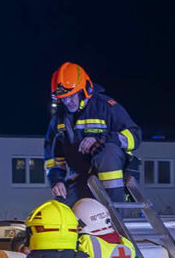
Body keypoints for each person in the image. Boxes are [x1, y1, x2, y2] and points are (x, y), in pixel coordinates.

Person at [44, 63, 142, 203]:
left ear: (84, 90)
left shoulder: (106, 107)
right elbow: (53, 158)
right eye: (63, 98)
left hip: (113, 176)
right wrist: (57, 181)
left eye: (71, 96)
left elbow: (135, 136)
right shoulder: (59, 118)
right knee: (62, 210)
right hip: (83, 177)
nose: (67, 101)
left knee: (107, 151)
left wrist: (102, 139)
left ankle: (114, 210)